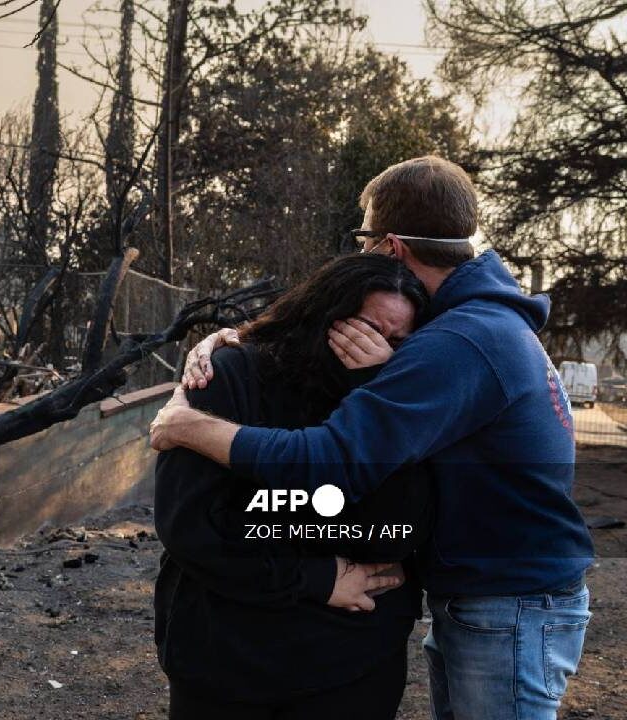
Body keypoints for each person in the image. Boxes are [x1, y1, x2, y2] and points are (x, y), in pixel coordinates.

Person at [150, 155, 595, 720]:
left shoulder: (461, 340)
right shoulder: (470, 323)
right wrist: (235, 338)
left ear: (391, 246)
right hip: (495, 595)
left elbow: (331, 463)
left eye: (364, 240)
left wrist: (193, 426)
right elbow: (313, 320)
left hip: (508, 602)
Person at [154, 253, 434, 720]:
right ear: (325, 313)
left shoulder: (400, 400)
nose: (375, 347)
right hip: (226, 660)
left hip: (350, 664)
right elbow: (193, 525)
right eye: (364, 329)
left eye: (396, 341)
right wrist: (317, 577)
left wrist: (377, 392)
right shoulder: (229, 375)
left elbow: (399, 525)